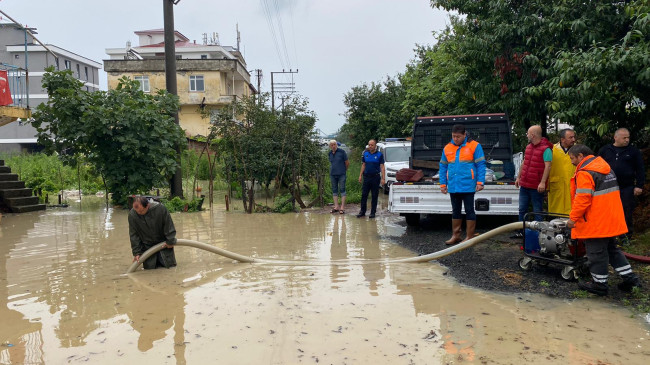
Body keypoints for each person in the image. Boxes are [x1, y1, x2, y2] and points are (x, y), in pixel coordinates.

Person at [566, 144, 641, 296]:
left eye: (573, 158)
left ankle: (599, 284)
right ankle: (631, 279)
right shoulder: (605, 168)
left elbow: (583, 199)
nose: (572, 162)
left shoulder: (586, 173)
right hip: (610, 219)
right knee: (612, 250)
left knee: (596, 253)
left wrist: (573, 219)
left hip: (596, 222)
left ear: (581, 156)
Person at [439, 124, 486, 244]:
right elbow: (443, 166)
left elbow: (480, 165)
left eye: (458, 137)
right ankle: (456, 235)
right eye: (453, 136)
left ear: (464, 135)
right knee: (455, 211)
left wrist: (480, 182)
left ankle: (469, 237)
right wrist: (443, 184)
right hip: (453, 186)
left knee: (470, 210)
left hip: (468, 185)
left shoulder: (475, 146)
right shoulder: (447, 148)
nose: (455, 139)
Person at [597, 128, 645, 238]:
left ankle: (626, 236)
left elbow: (640, 169)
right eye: (624, 138)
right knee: (608, 211)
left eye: (628, 137)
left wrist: (639, 185)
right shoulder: (605, 150)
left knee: (626, 211)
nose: (627, 140)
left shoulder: (633, 151)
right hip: (607, 187)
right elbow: (597, 167)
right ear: (615, 137)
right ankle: (609, 234)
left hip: (626, 187)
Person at [513, 125, 553, 238]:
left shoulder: (546, 149)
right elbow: (524, 163)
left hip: (536, 186)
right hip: (525, 184)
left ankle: (539, 234)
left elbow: (548, 167)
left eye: (528, 133)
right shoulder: (528, 147)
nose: (527, 135)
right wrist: (518, 177)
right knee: (522, 209)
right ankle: (521, 231)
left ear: (533, 135)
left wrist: (542, 182)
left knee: (537, 210)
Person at [129, 196, 178, 269]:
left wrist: (170, 241)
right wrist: (137, 252)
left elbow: (168, 225)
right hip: (147, 248)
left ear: (147, 205)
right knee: (149, 270)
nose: (139, 213)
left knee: (170, 267)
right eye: (137, 211)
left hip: (164, 245)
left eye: (141, 211)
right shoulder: (132, 215)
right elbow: (134, 235)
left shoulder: (160, 209)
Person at [548, 128, 576, 215]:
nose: (573, 140)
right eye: (570, 137)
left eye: (574, 137)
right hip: (556, 186)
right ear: (562, 139)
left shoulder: (578, 150)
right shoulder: (552, 149)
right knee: (556, 213)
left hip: (572, 186)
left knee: (572, 211)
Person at [357, 139, 385, 219]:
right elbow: (363, 165)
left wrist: (383, 178)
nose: (370, 146)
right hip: (366, 177)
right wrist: (360, 175)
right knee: (364, 195)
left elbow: (382, 167)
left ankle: (373, 212)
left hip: (375, 177)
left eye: (372, 145)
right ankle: (362, 212)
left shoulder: (379, 155)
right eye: (369, 145)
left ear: (375, 146)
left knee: (374, 195)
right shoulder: (365, 154)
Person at [328, 139, 349, 214]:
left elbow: (347, 162)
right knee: (334, 190)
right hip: (333, 174)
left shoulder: (342, 152)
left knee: (342, 189)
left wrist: (344, 170)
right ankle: (336, 206)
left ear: (336, 145)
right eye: (332, 145)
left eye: (334, 144)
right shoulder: (330, 153)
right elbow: (331, 163)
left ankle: (342, 207)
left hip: (341, 174)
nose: (333, 146)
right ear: (330, 146)